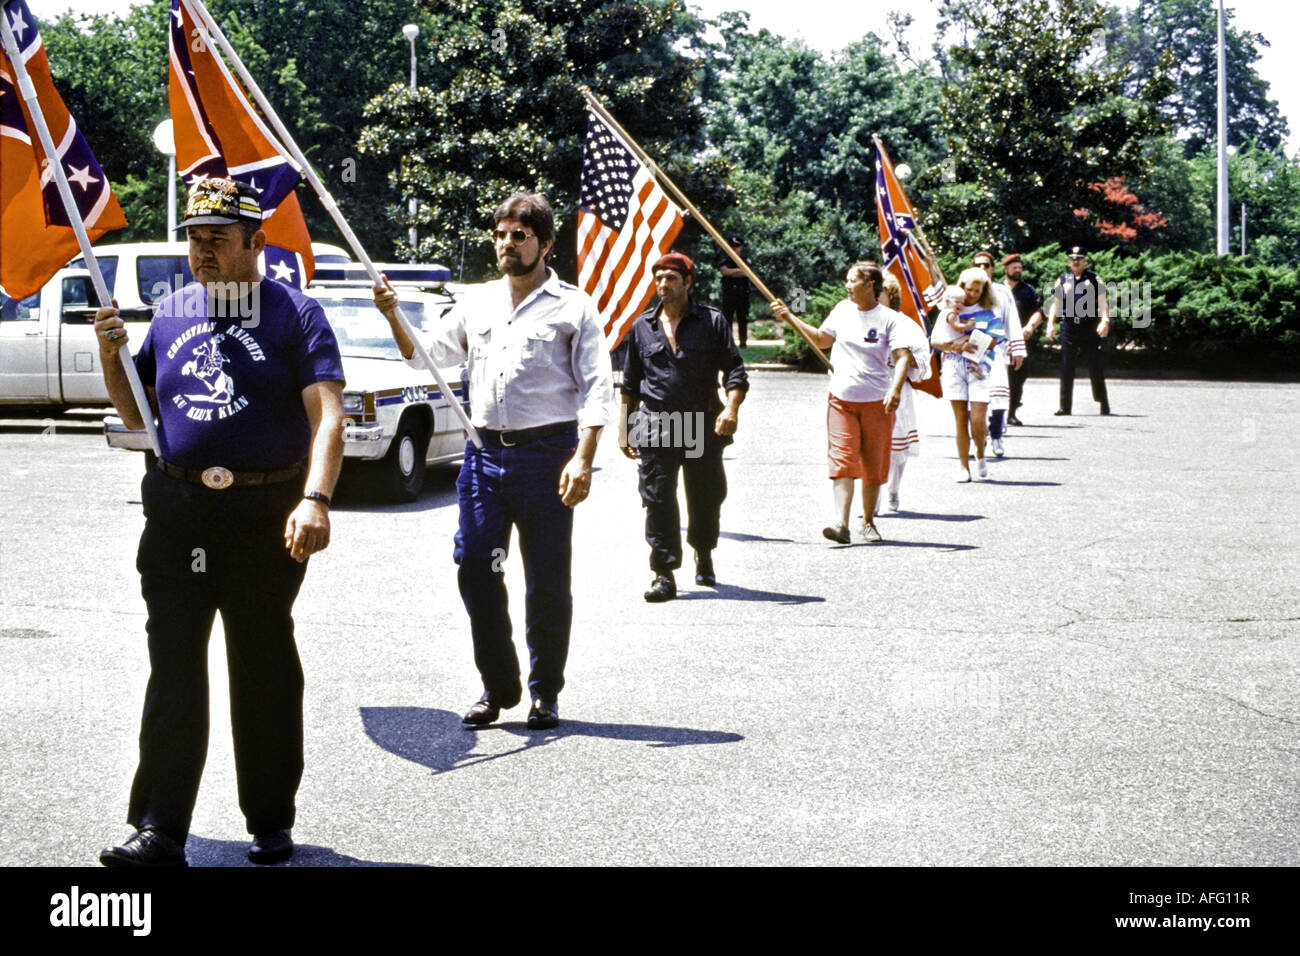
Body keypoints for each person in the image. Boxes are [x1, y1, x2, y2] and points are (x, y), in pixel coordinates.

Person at [95, 177, 345, 867]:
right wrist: (114, 355)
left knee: (261, 665)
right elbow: (134, 413)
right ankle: (159, 830)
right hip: (177, 514)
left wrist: (316, 499)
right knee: (172, 669)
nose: (202, 254)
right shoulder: (173, 311)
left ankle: (269, 819)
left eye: (218, 241)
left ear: (256, 244)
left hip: (265, 516)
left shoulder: (294, 314)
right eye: (195, 240)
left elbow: (327, 417)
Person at [374, 192, 612, 731]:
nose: (507, 243)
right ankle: (498, 683)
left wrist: (583, 458)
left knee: (547, 580)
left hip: (548, 456)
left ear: (545, 244)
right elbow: (427, 354)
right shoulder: (476, 302)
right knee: (477, 567)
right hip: (482, 457)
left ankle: (544, 691)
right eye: (501, 234)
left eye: (519, 236)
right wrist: (393, 316)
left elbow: (598, 388)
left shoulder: (573, 306)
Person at [619, 253, 748, 602]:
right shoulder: (642, 327)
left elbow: (735, 372)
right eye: (659, 278)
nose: (663, 285)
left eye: (671, 279)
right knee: (657, 497)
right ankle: (663, 573)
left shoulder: (712, 321)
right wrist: (625, 430)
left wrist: (731, 409)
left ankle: (703, 550)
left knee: (705, 497)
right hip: (656, 423)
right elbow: (630, 384)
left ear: (688, 282)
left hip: (701, 422)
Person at [770, 263, 925, 544]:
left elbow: (902, 356)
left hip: (878, 403)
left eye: (852, 280)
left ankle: (867, 521)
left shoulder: (891, 319)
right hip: (842, 400)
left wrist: (895, 389)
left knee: (873, 465)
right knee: (842, 460)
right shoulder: (842, 310)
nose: (847, 285)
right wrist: (791, 317)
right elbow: (821, 339)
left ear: (870, 285)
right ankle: (841, 524)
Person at [931, 267, 1005, 482]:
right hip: (954, 366)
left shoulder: (988, 312)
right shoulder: (950, 311)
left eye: (977, 291)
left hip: (979, 368)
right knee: (960, 419)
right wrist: (954, 346)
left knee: (978, 420)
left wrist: (969, 339)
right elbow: (936, 341)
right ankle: (964, 466)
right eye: (968, 289)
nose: (972, 295)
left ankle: (981, 454)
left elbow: (994, 340)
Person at [970, 251, 1025, 457]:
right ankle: (978, 439)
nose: (982, 269)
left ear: (993, 269)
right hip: (972, 352)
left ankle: (996, 435)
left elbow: (1012, 320)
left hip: (997, 351)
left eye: (986, 265)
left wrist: (1017, 349)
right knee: (974, 398)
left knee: (999, 394)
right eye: (978, 265)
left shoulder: (1002, 292)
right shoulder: (966, 291)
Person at [1044, 246, 1111, 415]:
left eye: (1079, 258)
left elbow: (1103, 301)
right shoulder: (1063, 279)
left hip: (1088, 325)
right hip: (1069, 326)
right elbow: (1056, 304)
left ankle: (1103, 402)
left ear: (1084, 261)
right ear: (1068, 261)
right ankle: (1065, 406)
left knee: (1094, 365)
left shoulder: (1094, 279)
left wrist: (1105, 320)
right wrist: (1050, 324)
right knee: (1067, 366)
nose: (1076, 261)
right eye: (1073, 259)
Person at [1001, 253, 1044, 426]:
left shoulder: (1027, 290)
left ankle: (1011, 413)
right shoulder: (996, 288)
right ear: (1006, 269)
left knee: (1018, 377)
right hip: (999, 340)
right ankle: (994, 413)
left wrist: (1030, 326)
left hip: (1020, 341)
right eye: (1014, 268)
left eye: (1020, 268)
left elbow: (1038, 311)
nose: (1018, 270)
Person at [719, 238, 753, 347]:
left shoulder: (745, 260)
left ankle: (743, 342)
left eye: (737, 246)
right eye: (732, 246)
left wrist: (732, 272)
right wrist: (739, 271)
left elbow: (747, 273)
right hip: (729, 295)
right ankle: (729, 342)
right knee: (727, 319)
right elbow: (724, 271)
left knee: (742, 319)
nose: (734, 249)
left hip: (743, 294)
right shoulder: (725, 261)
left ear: (741, 247)